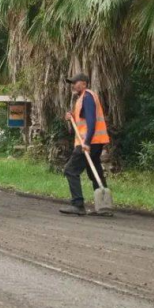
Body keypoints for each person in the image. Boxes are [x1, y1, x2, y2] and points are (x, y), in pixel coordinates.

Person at [59, 73, 110, 216]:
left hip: (88, 142)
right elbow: (83, 119)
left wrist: (86, 142)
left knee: (70, 170)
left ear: (84, 84)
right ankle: (104, 206)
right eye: (72, 83)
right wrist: (72, 117)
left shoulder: (87, 97)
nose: (73, 85)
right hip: (95, 141)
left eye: (75, 83)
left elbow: (92, 121)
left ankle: (78, 204)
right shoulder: (83, 98)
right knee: (95, 171)